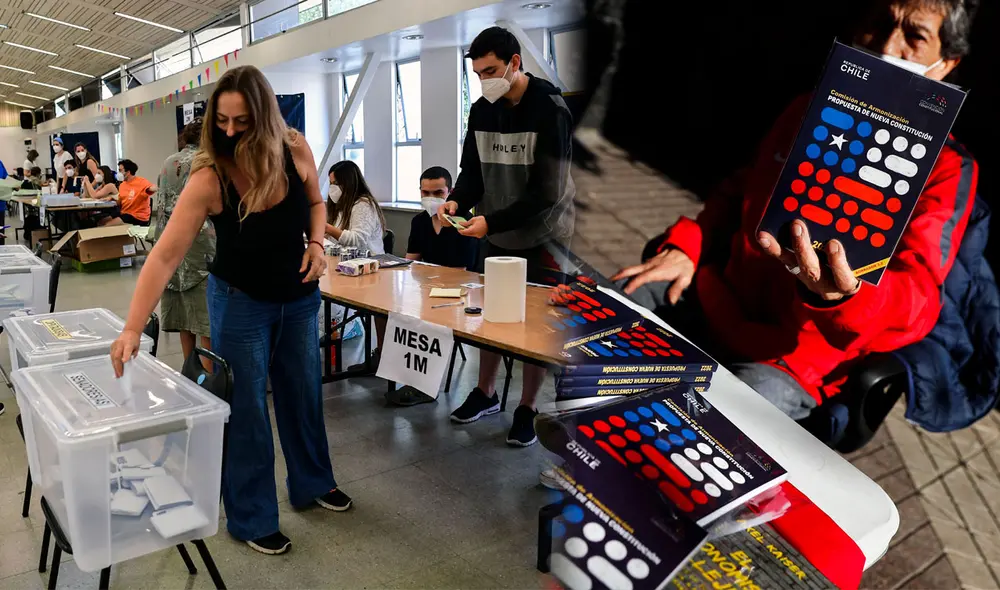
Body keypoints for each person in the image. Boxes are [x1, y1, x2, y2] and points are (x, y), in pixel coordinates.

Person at [612, 0, 978, 423]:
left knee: (708, 425)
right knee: (601, 319)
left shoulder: (948, 169)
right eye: (878, 25)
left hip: (790, 360)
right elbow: (739, 192)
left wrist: (849, 295)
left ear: (947, 62)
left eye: (914, 37)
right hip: (714, 297)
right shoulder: (809, 109)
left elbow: (918, 294)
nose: (889, 48)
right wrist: (687, 247)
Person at [110, 65, 351, 557]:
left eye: (241, 122)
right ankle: (252, 516)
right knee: (245, 412)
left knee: (302, 396)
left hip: (300, 298)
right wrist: (133, 328)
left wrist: (319, 244)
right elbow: (164, 254)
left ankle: (312, 481)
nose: (229, 132)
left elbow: (316, 204)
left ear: (263, 117)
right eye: (220, 121)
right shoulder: (210, 176)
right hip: (240, 304)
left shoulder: (295, 150)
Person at [438, 26, 575, 447]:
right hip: (496, 233)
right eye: (478, 73)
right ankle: (486, 393)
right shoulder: (481, 110)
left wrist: (490, 222)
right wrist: (456, 203)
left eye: (492, 70)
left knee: (534, 325)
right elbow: (472, 174)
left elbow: (547, 192)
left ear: (515, 62)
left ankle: (527, 408)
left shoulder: (551, 109)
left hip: (545, 236)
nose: (485, 80)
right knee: (491, 314)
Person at [149, 118, 215, 369]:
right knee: (205, 321)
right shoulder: (206, 163)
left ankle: (189, 369)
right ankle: (209, 377)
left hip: (170, 247)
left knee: (184, 318)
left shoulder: (169, 162)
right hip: (201, 249)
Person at [325, 160, 387, 371]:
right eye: (330, 183)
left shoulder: (363, 205)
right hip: (345, 269)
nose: (332, 188)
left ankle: (380, 356)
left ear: (348, 183)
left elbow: (357, 239)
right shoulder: (342, 207)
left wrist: (326, 228)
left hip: (370, 272)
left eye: (336, 183)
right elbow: (336, 240)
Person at [406, 166, 478, 268]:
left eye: (438, 193)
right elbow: (411, 261)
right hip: (427, 280)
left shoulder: (464, 221)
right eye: (425, 192)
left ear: (450, 192)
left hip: (459, 280)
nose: (431, 198)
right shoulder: (419, 221)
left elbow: (463, 270)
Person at [116, 159, 157, 226]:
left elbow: (152, 188)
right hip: (125, 214)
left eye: (120, 170)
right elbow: (120, 201)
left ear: (128, 172)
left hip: (138, 217)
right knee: (105, 220)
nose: (119, 173)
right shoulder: (122, 185)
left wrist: (158, 187)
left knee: (110, 224)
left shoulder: (141, 182)